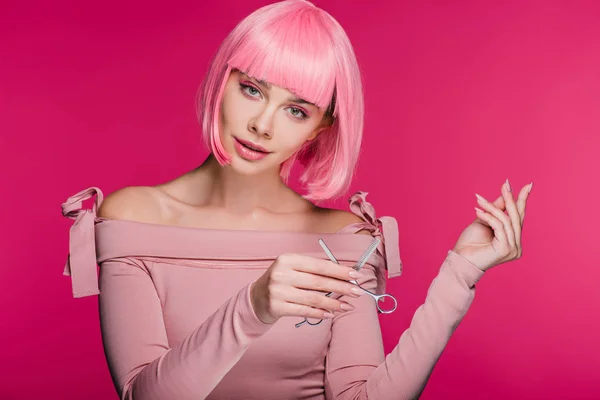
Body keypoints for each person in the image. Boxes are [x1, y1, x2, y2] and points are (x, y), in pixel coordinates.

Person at [60, 1, 533, 399]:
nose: (262, 125)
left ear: (321, 126)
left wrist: (460, 275)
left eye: (296, 110)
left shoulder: (343, 238)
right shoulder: (132, 219)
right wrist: (254, 306)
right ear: (222, 80)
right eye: (251, 89)